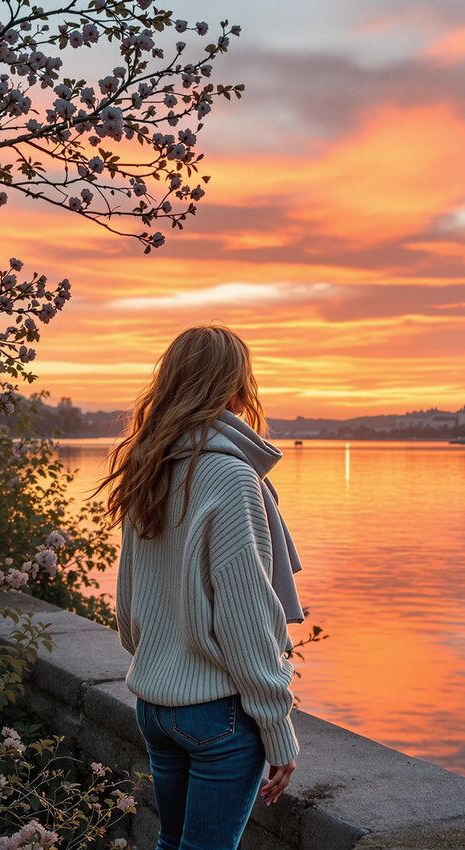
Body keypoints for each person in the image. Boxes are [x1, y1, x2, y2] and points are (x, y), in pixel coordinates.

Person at [98, 323, 302, 850]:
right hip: (217, 711)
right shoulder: (232, 477)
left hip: (156, 705)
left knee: (172, 844)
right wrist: (278, 727)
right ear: (236, 386)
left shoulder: (149, 467)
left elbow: (128, 602)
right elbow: (248, 618)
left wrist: (160, 660)